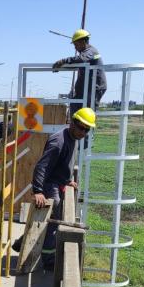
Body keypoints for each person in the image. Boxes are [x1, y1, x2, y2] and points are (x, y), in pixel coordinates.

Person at [32, 107, 96, 269]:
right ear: (72, 123)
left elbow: (63, 163)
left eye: (87, 129)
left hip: (58, 181)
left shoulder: (73, 138)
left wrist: (67, 179)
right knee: (55, 218)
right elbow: (42, 167)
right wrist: (38, 191)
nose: (83, 132)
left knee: (52, 218)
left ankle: (22, 243)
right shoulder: (58, 141)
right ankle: (48, 260)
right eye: (81, 127)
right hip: (50, 184)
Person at [52, 29, 107, 117]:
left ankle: (87, 130)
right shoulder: (85, 53)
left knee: (87, 113)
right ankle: (75, 128)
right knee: (75, 106)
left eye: (76, 44)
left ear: (84, 41)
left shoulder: (91, 51)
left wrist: (63, 61)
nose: (75, 48)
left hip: (94, 88)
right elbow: (76, 63)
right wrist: (61, 66)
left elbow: (80, 59)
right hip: (85, 88)